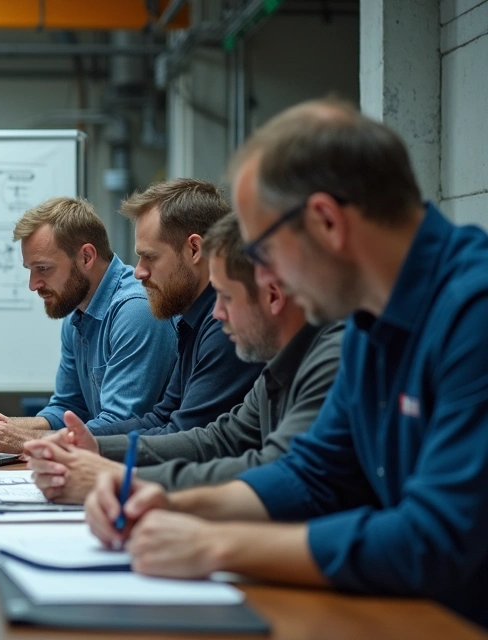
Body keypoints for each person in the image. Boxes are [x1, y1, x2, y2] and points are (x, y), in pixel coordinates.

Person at [85, 99, 488, 628]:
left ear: (326, 222)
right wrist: (168, 500)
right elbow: (312, 473)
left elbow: (433, 538)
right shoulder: (369, 319)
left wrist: (218, 544)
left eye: (265, 250)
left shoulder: (472, 314)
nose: (267, 277)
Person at [25, 212, 342, 500]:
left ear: (273, 295)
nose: (217, 313)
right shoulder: (278, 358)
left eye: (226, 297)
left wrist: (123, 480)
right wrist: (97, 447)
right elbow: (220, 438)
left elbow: (279, 475)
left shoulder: (331, 360)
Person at [0, 196, 176, 454]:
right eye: (30, 269)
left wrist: (26, 439)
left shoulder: (135, 310)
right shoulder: (76, 313)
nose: (33, 284)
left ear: (86, 257)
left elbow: (119, 425)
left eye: (43, 268)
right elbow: (68, 407)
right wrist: (9, 427)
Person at [82, 179, 262, 438]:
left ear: (194, 249)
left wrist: (83, 445)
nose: (138, 272)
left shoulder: (224, 325)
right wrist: (73, 441)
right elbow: (161, 417)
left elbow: (185, 434)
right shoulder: (192, 320)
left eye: (150, 257)